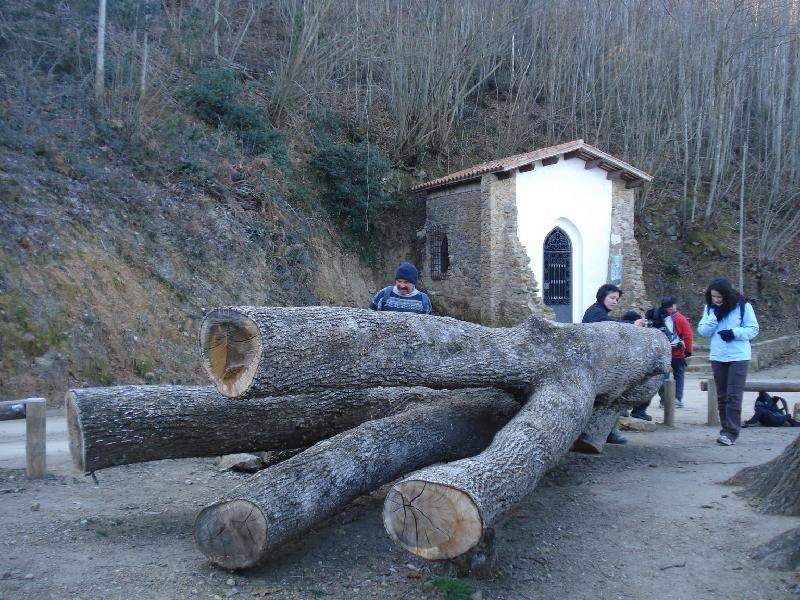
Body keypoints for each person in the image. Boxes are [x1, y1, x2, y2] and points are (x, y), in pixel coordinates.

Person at [697, 277, 759, 446]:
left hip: (738, 356)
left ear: (726, 294)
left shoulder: (743, 306)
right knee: (722, 395)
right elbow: (703, 331)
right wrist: (714, 317)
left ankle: (732, 432)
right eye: (713, 297)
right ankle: (725, 430)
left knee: (733, 395)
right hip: (718, 356)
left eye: (719, 296)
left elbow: (753, 329)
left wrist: (734, 333)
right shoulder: (710, 308)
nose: (716, 300)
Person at [582, 284, 646, 443]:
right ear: (602, 296)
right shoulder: (596, 312)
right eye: (612, 297)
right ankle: (607, 433)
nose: (615, 301)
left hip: (597, 363)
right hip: (593, 364)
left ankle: (608, 432)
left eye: (617, 299)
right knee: (613, 397)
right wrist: (632, 325)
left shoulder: (598, 311)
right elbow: (610, 325)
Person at [648, 296, 693, 409]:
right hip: (677, 352)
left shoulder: (656, 316)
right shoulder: (680, 318)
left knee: (664, 376)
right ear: (673, 306)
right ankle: (677, 399)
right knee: (679, 375)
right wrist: (688, 350)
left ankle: (664, 400)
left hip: (662, 352)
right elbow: (687, 335)